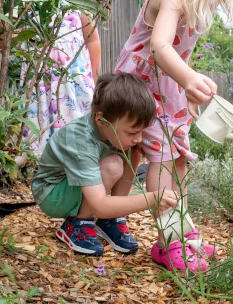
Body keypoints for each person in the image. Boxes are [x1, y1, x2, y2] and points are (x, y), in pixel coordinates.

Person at [112, 0, 233, 272]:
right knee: (158, 159)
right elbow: (160, 47)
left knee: (177, 158)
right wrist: (188, 79)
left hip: (167, 87)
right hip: (141, 88)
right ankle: (168, 239)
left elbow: (178, 52)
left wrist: (186, 86)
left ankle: (178, 231)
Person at [31, 72, 178, 256]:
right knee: (114, 164)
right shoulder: (81, 139)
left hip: (71, 186)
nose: (139, 138)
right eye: (132, 132)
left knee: (131, 152)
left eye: (142, 132)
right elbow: (100, 204)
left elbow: (131, 145)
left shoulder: (109, 128)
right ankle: (77, 223)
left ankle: (111, 220)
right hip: (51, 194)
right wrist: (152, 198)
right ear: (101, 120)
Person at [0, 0, 101, 153]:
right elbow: (2, 45)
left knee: (81, 141)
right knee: (38, 140)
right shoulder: (20, 7)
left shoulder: (74, 4)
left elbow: (92, 37)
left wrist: (94, 77)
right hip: (37, 92)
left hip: (75, 91)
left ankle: (81, 177)